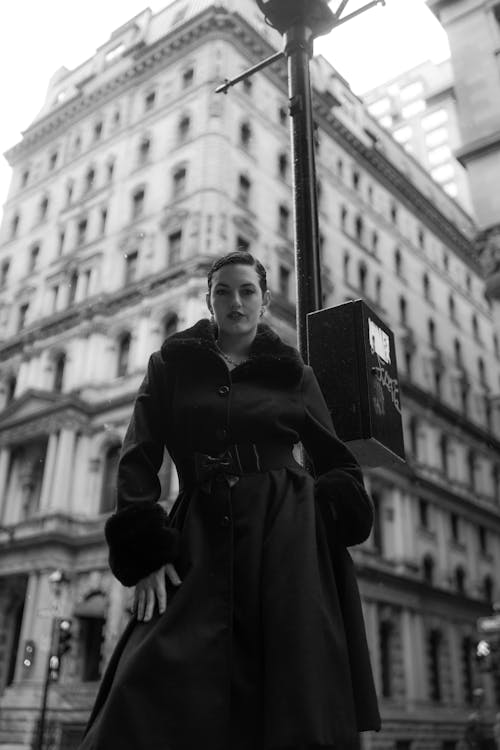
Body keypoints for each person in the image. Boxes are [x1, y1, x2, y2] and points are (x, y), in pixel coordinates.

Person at [78, 251, 381, 750]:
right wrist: (144, 550)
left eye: (247, 291)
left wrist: (324, 520)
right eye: (223, 290)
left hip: (288, 532)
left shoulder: (294, 373)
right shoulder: (170, 364)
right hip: (197, 528)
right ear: (209, 300)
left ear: (263, 301)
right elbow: (138, 454)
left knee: (288, 682)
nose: (235, 301)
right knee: (150, 669)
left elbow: (338, 460)